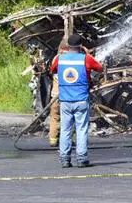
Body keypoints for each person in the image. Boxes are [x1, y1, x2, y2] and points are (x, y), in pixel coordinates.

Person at [50, 34, 102, 168]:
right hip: (81, 99)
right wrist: (85, 53)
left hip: (65, 100)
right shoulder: (86, 58)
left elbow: (53, 69)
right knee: (81, 129)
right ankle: (82, 158)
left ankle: (65, 159)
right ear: (80, 45)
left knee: (66, 130)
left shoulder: (60, 59)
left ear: (67, 45)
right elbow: (99, 67)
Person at [48, 42, 68, 147]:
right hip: (68, 96)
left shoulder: (56, 59)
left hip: (56, 95)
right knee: (69, 118)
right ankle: (67, 139)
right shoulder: (73, 60)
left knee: (55, 117)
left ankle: (53, 140)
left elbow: (52, 70)